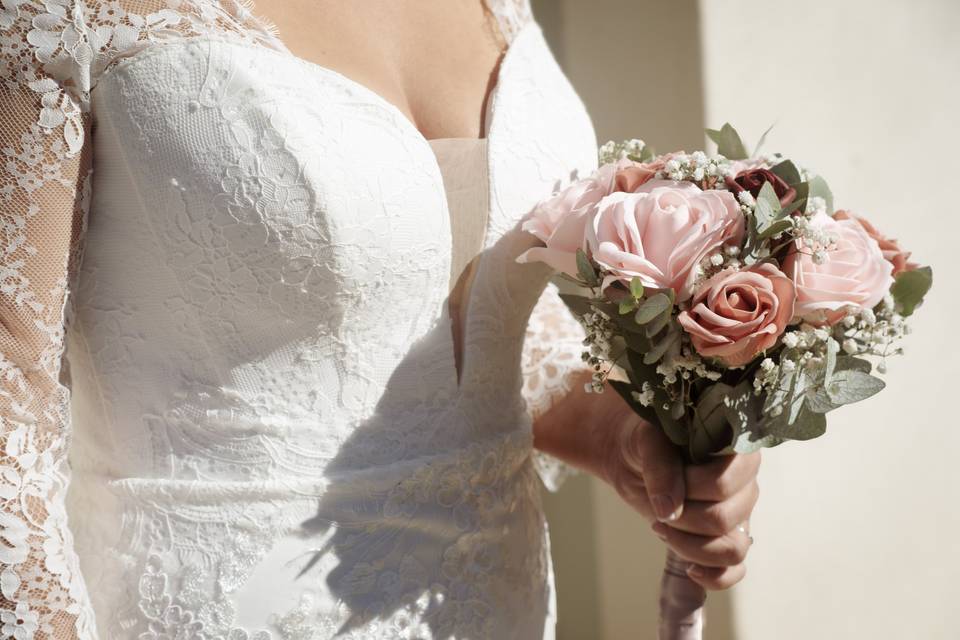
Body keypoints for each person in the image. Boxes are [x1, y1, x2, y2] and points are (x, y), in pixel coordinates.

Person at [0, 1, 760, 637]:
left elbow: (454, 300)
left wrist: (619, 431)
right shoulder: (63, 14)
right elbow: (10, 390)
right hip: (227, 608)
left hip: (502, 600)